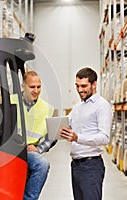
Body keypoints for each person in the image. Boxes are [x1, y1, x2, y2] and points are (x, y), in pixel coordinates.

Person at [59, 67, 112, 200]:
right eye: (77, 86)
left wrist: (78, 138)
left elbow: (105, 137)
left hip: (91, 166)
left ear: (94, 84)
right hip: (76, 165)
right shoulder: (78, 107)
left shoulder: (102, 106)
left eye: (84, 86)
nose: (79, 90)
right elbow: (65, 125)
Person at [14, 71, 56, 200]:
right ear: (23, 86)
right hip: (10, 148)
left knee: (42, 164)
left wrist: (40, 148)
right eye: (32, 87)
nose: (36, 90)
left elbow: (52, 135)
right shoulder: (11, 101)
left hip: (29, 151)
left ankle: (29, 198)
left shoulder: (47, 108)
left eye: (39, 87)